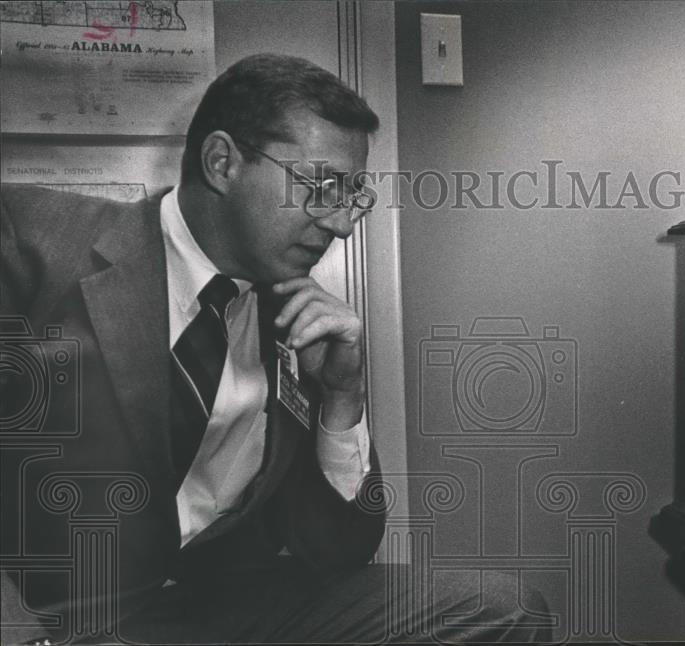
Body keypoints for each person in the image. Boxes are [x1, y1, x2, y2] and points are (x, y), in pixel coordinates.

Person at [0, 53, 549, 644]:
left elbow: (339, 551)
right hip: (63, 618)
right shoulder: (32, 241)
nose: (341, 224)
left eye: (352, 195)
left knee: (503, 609)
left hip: (222, 606)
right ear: (222, 162)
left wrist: (342, 397)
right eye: (321, 188)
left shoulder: (295, 321)